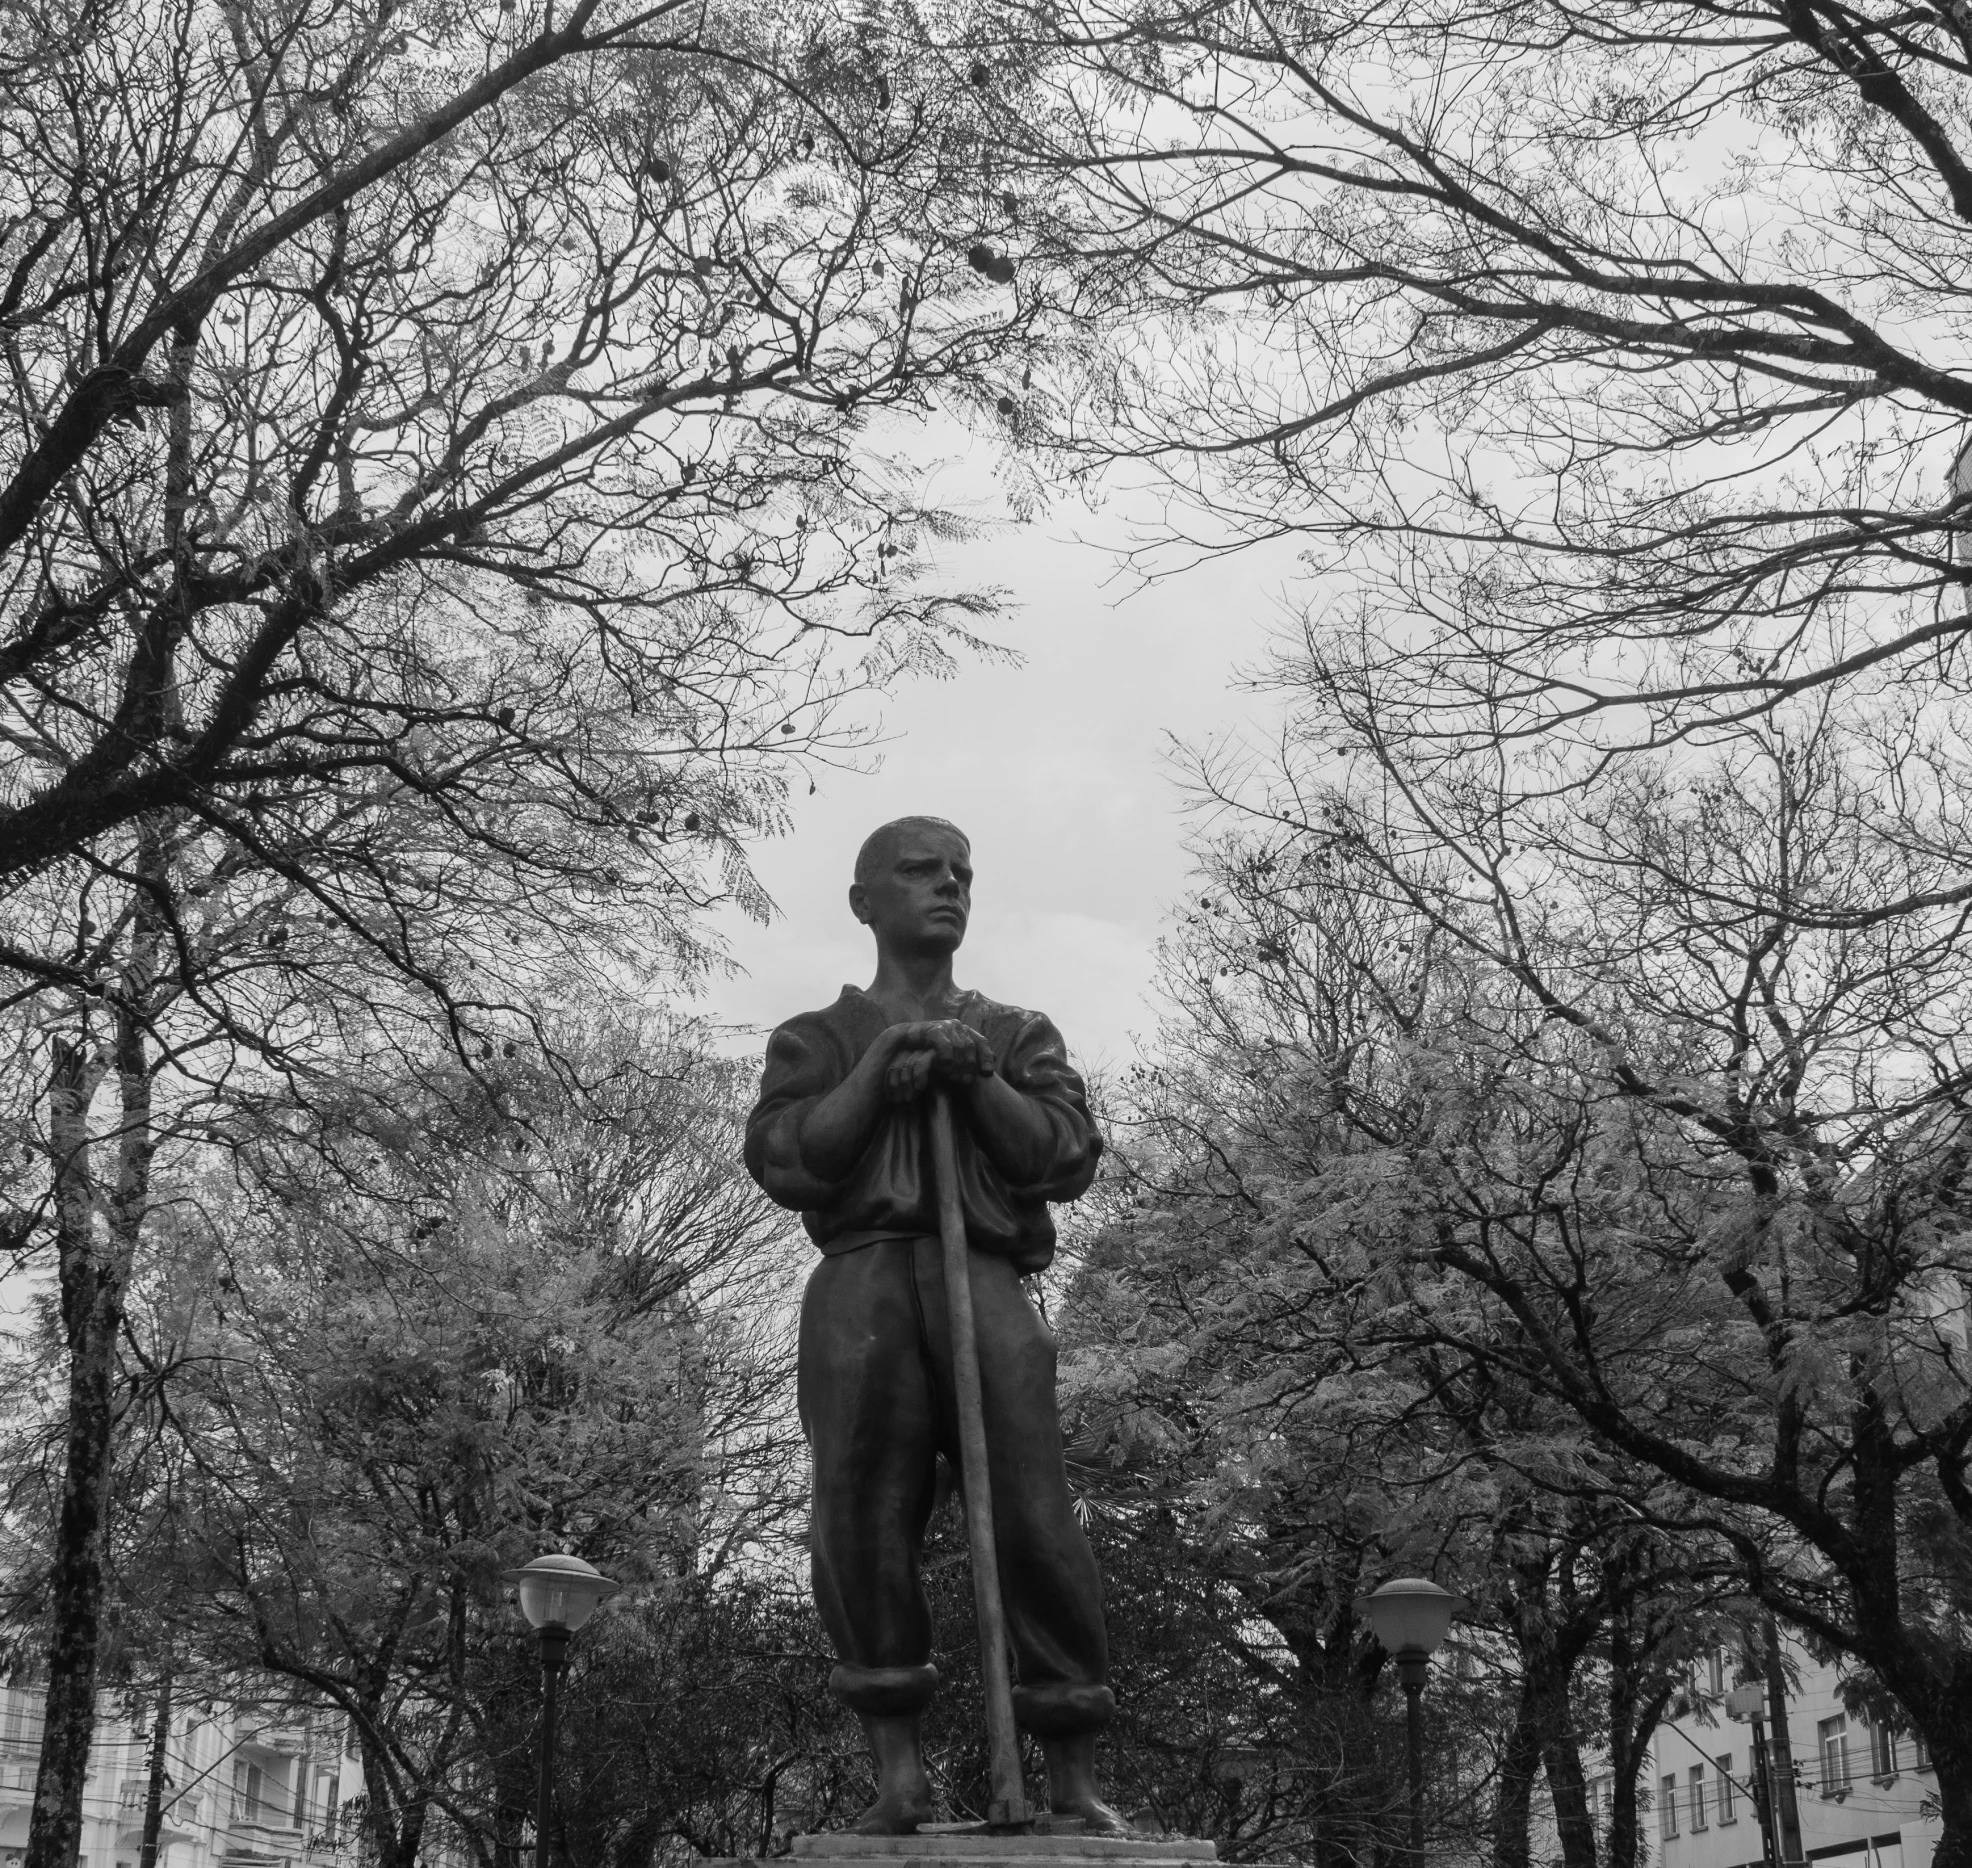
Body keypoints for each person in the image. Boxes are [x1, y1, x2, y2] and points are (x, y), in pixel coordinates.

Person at [745, 815, 1128, 1836]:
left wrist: (972, 1076)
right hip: (861, 1285)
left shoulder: (1014, 1030)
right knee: (859, 1519)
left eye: (960, 873)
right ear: (866, 901)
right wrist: (882, 1069)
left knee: (1035, 1516)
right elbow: (791, 1160)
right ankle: (898, 1771)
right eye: (919, 872)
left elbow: (1063, 1155)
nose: (947, 886)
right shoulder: (814, 1037)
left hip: (988, 1282)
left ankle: (1069, 1771)